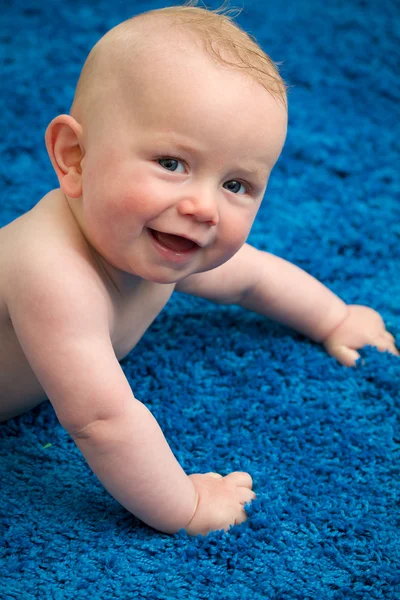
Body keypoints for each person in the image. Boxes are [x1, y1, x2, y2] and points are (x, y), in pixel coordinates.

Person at [0, 3, 398, 536]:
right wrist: (184, 505)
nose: (204, 207)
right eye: (172, 164)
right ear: (75, 157)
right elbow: (101, 419)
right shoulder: (52, 270)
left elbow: (253, 278)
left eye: (236, 185)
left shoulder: (153, 240)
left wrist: (334, 318)